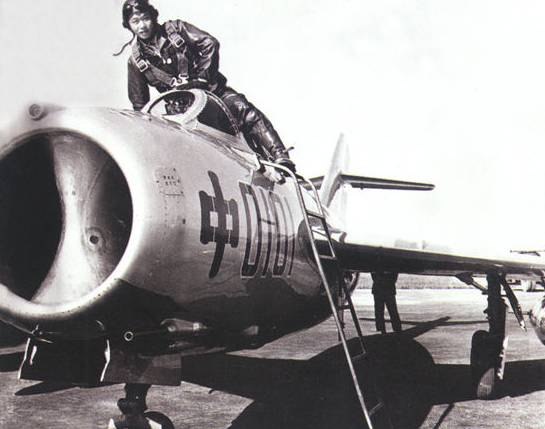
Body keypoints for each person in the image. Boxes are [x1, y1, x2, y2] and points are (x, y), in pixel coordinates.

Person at [118, 0, 295, 172]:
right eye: (135, 21)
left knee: (245, 110)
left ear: (153, 16)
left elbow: (210, 43)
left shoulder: (176, 30)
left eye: (145, 18)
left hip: (213, 95)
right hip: (182, 113)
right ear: (128, 25)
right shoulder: (136, 62)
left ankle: (280, 156)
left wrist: (202, 78)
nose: (142, 26)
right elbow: (140, 107)